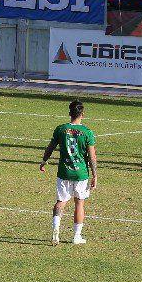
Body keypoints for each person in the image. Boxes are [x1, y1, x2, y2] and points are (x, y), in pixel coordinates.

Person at [39, 100, 97, 246]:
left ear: (69, 113)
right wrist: (95, 175)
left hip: (64, 172)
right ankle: (76, 236)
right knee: (79, 203)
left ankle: (56, 230)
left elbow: (51, 147)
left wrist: (44, 161)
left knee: (61, 201)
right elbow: (92, 156)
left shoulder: (60, 129)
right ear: (82, 114)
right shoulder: (87, 132)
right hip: (81, 174)